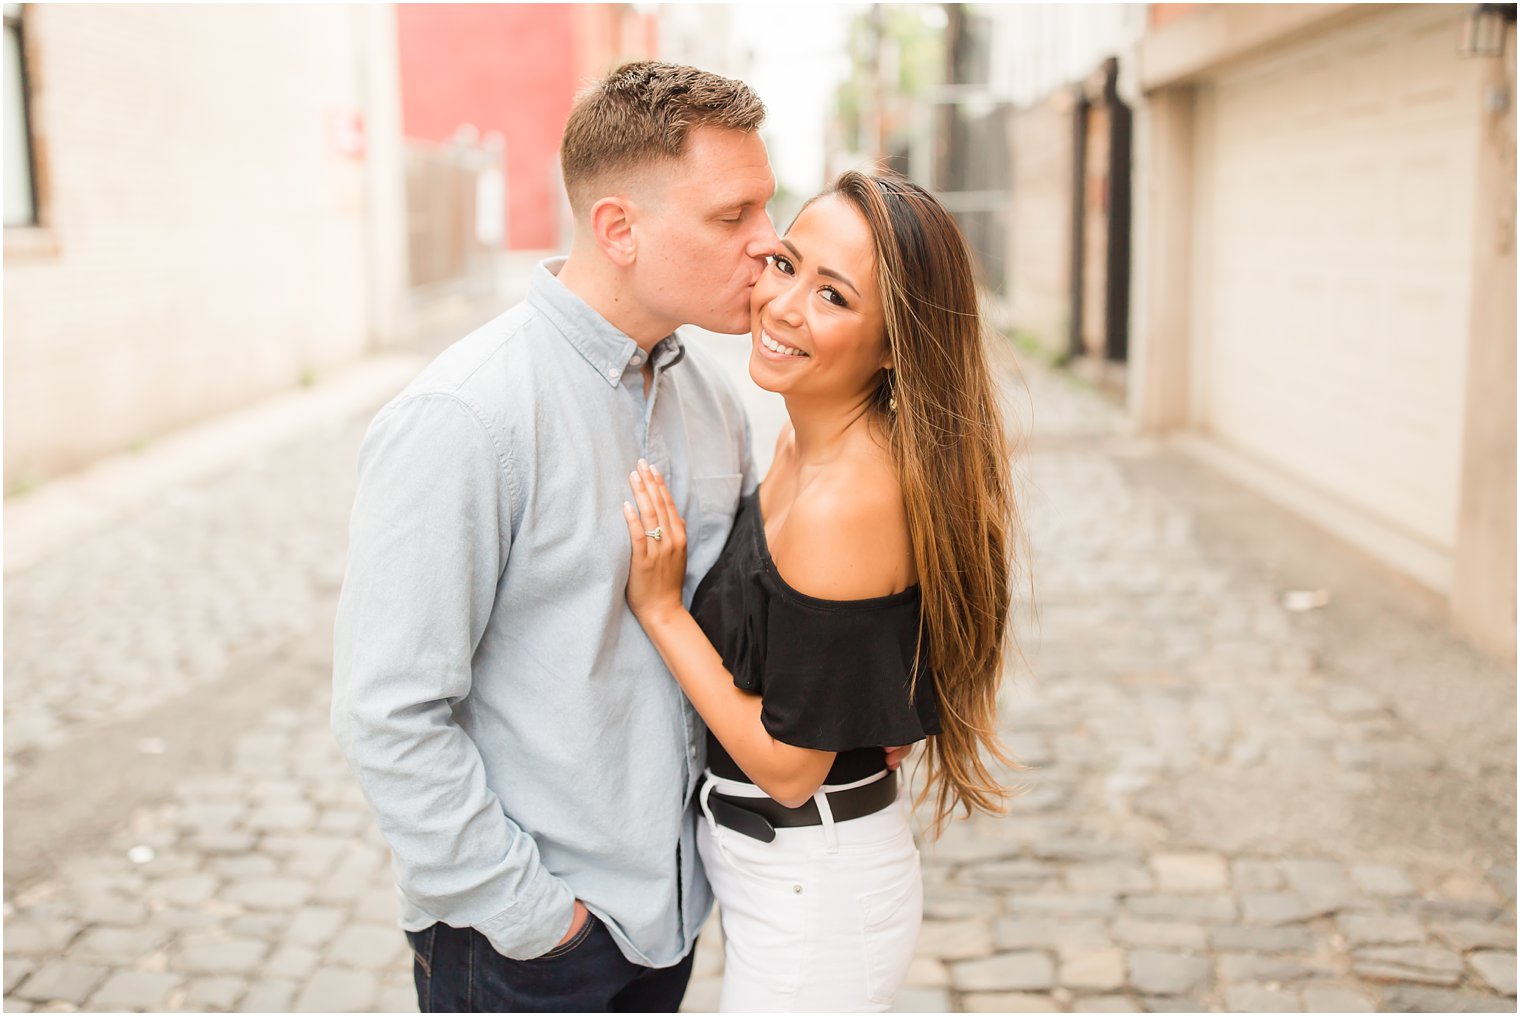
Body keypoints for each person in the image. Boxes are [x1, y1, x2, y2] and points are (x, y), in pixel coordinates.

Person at [329, 62, 788, 1012]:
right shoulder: (467, 417)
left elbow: (736, 632)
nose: (767, 244)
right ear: (618, 228)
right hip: (526, 948)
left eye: (766, 209)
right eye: (731, 216)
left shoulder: (715, 402)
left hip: (668, 915)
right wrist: (537, 922)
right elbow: (389, 713)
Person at [621, 170, 1020, 1012]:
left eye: (833, 295)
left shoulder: (846, 494)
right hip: (781, 873)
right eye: (786, 264)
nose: (784, 305)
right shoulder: (808, 442)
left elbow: (789, 768)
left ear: (891, 346)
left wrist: (660, 610)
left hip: (813, 884)